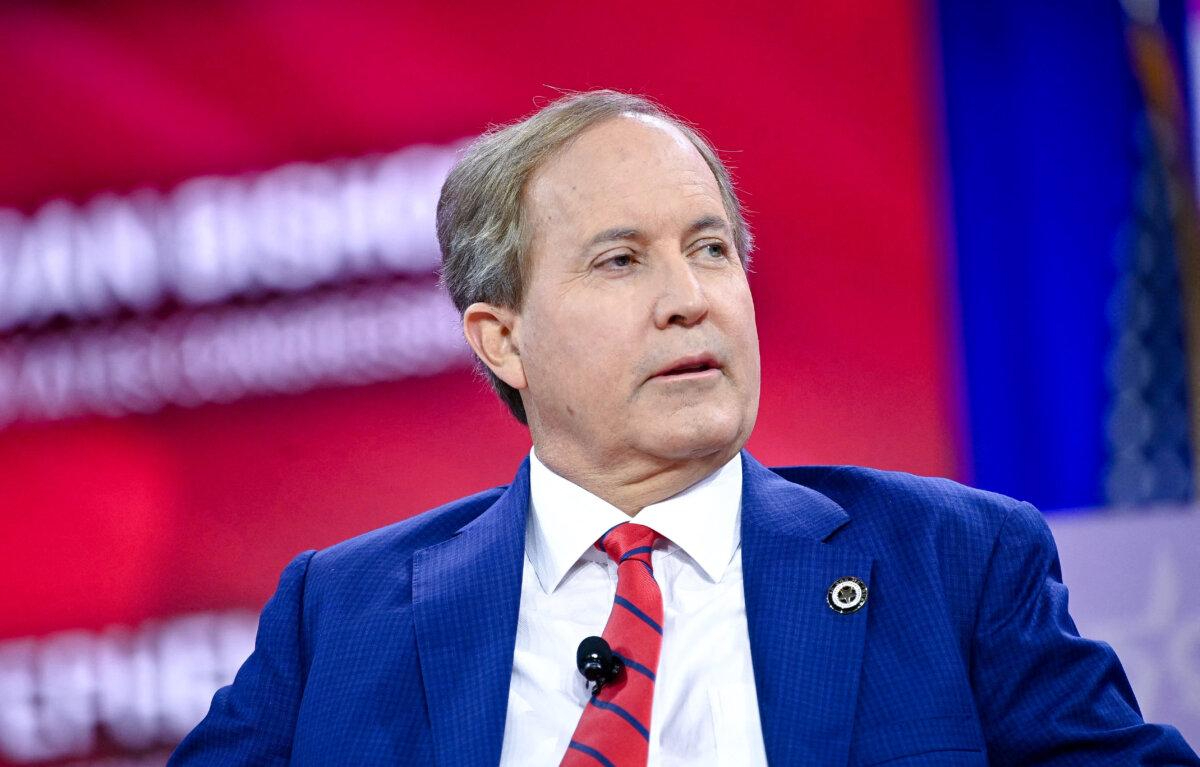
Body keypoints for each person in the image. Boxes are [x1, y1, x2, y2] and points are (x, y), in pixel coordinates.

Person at [168, 90, 1199, 766]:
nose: (690, 298)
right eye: (621, 260)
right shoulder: (340, 615)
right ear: (502, 337)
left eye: (710, 248)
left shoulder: (953, 562)